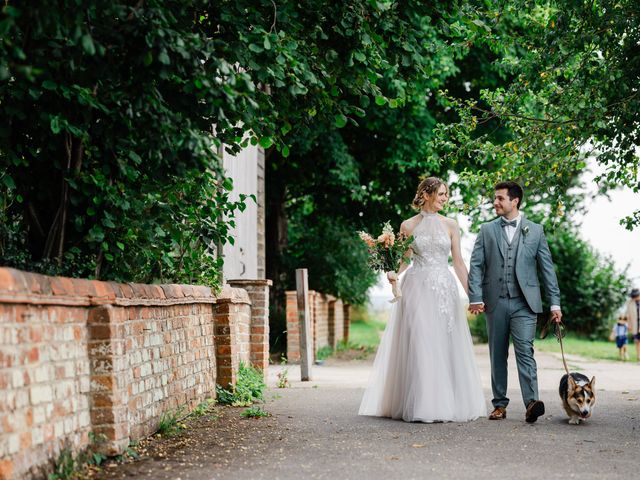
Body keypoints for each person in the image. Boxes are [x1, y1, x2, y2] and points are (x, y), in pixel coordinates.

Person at [359, 177, 486, 423]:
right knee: (420, 339)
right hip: (416, 287)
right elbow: (405, 258)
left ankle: (445, 402)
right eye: (441, 193)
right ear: (426, 194)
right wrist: (394, 271)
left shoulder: (451, 225)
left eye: (446, 195)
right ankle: (421, 404)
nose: (445, 198)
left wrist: (474, 296)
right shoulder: (407, 225)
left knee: (443, 343)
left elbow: (458, 263)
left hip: (444, 289)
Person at [468, 181, 562, 423]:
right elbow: (476, 265)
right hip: (495, 302)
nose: (495, 202)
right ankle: (499, 405)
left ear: (515, 201)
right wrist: (475, 297)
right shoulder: (486, 230)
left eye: (500, 198)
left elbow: (547, 270)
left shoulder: (536, 231)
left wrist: (555, 305)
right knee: (497, 354)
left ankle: (532, 403)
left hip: (525, 304)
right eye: (495, 198)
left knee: (525, 352)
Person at [626, 288, 640, 361]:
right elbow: (628, 315)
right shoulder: (629, 303)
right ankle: (638, 356)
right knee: (637, 341)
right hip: (635, 324)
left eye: (636, 296)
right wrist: (629, 325)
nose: (634, 298)